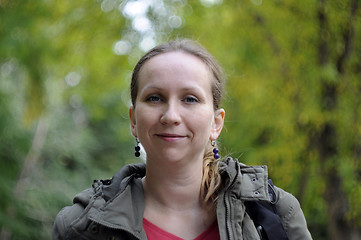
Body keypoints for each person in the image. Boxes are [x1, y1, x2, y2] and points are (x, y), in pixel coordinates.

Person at [52, 39, 313, 240]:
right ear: (133, 119)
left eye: (190, 99)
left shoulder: (274, 213)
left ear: (216, 123)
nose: (171, 115)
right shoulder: (82, 225)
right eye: (155, 97)